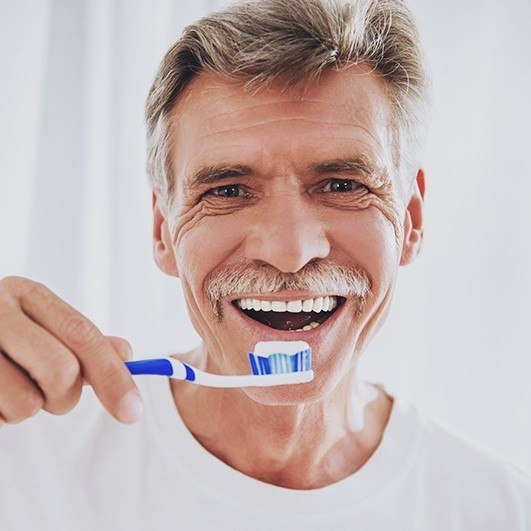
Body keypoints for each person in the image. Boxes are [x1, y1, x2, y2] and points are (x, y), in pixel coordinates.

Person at [0, 0, 529, 529]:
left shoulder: (500, 509)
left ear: (409, 218)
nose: (289, 250)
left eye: (343, 185)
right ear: (163, 229)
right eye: (227, 190)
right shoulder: (22, 460)